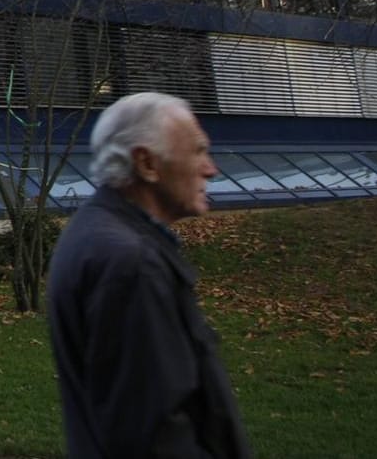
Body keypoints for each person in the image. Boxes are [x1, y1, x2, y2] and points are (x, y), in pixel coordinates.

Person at [47, 92, 252, 459]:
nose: (211, 168)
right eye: (198, 151)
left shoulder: (94, 233)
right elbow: (153, 438)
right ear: (146, 163)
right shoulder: (132, 263)